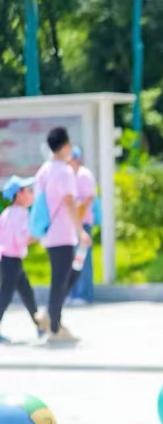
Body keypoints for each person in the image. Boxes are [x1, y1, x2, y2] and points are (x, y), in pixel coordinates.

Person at [34, 127, 90, 344]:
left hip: (48, 233)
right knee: (62, 280)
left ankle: (51, 317)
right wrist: (80, 230)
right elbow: (68, 202)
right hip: (63, 233)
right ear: (65, 145)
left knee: (64, 277)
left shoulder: (44, 170)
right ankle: (54, 326)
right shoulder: (64, 171)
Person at [0, 176, 47, 343]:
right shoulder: (21, 214)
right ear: (19, 194)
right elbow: (22, 238)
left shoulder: (6, 213)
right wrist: (40, 234)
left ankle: (40, 326)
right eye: (29, 191)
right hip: (11, 260)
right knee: (5, 296)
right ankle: (40, 326)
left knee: (27, 293)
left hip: (9, 260)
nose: (32, 194)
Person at [67, 145, 98, 305]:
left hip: (82, 223)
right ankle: (74, 293)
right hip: (71, 225)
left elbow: (88, 198)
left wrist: (77, 214)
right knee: (74, 261)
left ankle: (84, 294)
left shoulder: (84, 175)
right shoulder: (68, 176)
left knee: (82, 260)